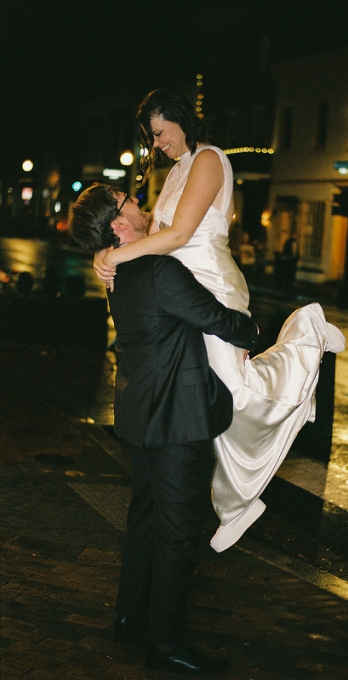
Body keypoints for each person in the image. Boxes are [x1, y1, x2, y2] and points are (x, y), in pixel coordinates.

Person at [89, 89, 345, 553]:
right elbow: (151, 229)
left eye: (160, 132)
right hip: (186, 292)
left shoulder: (208, 159)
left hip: (213, 285)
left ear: (181, 120)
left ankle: (308, 339)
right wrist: (106, 255)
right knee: (214, 404)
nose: (157, 144)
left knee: (234, 390)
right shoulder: (175, 171)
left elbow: (181, 234)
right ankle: (234, 504)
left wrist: (116, 254)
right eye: (151, 138)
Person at [68, 185, 254, 674]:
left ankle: (130, 617)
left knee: (145, 522)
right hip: (177, 419)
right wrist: (255, 330)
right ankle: (167, 644)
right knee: (176, 534)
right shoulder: (158, 270)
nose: (142, 205)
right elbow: (216, 319)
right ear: (118, 223)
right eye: (129, 201)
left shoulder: (118, 272)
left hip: (141, 415)